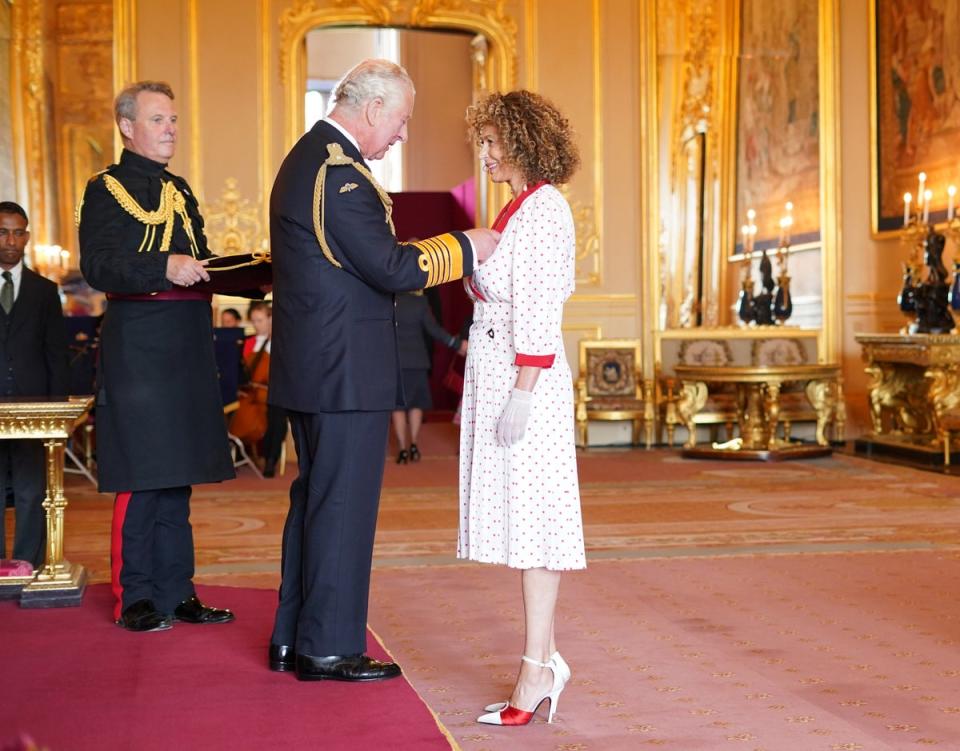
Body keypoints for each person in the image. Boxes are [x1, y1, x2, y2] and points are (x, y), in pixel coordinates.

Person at [268, 58, 499, 682]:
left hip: (319, 369)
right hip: (343, 374)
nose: (401, 134)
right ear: (372, 109)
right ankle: (328, 648)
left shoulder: (311, 159)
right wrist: (465, 246)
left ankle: (294, 637)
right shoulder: (336, 171)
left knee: (316, 504)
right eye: (400, 121)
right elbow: (391, 268)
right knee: (341, 509)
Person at [78, 81, 236, 632]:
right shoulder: (106, 188)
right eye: (158, 120)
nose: (171, 129)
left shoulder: (180, 188)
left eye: (173, 119)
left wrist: (248, 270)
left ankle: (178, 591)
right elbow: (98, 265)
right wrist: (162, 266)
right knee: (143, 475)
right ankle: (136, 596)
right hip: (140, 347)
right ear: (127, 126)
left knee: (178, 476)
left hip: (187, 343)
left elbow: (202, 259)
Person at [459, 90, 586, 726]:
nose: (482, 155)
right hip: (507, 379)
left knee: (536, 527)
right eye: (479, 143)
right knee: (524, 526)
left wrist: (522, 392)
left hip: (526, 387)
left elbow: (539, 308)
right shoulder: (518, 208)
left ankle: (538, 667)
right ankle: (543, 658)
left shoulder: (543, 210)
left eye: (491, 142)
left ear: (522, 140)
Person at [0, 202, 69, 568]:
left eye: (18, 232)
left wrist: (58, 411)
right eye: (3, 231)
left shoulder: (44, 291)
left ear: (27, 236)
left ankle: (27, 563)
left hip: (34, 409)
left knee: (31, 491)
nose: (11, 240)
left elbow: (56, 353)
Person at [392, 290, 466, 464]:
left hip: (395, 362)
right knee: (416, 404)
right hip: (418, 361)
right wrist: (456, 344)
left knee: (397, 406)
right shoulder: (420, 303)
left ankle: (402, 449)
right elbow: (434, 330)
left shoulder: (389, 302)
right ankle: (414, 445)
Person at [232, 301, 287, 477]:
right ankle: (236, 453)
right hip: (250, 392)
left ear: (271, 319)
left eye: (260, 320)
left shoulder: (281, 342)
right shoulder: (247, 342)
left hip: (273, 391)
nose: (256, 324)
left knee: (277, 414)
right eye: (254, 320)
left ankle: (271, 459)